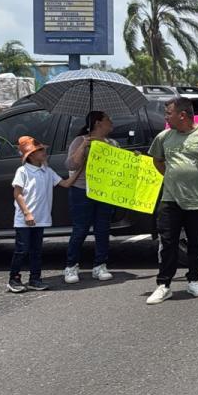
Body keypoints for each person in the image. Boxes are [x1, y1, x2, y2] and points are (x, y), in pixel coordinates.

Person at [147, 98, 198, 303]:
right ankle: (163, 285)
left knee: (196, 243)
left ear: (182, 115)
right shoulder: (164, 137)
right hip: (170, 200)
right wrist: (171, 176)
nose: (166, 117)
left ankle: (194, 280)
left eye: (169, 113)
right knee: (167, 242)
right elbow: (157, 160)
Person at [7, 137, 73, 293]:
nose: (44, 152)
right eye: (39, 150)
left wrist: (80, 171)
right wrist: (27, 213)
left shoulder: (47, 171)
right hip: (24, 219)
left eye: (43, 149)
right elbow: (17, 193)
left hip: (41, 219)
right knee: (22, 249)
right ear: (30, 155)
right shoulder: (23, 171)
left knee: (36, 250)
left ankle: (35, 279)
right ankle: (13, 279)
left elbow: (65, 183)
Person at [63, 111, 117, 284]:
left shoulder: (112, 143)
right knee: (80, 229)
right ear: (98, 123)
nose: (111, 122)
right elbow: (71, 165)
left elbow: (120, 166)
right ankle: (71, 266)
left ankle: (100, 265)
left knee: (103, 229)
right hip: (82, 190)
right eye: (108, 119)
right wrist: (83, 146)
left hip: (104, 191)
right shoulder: (80, 141)